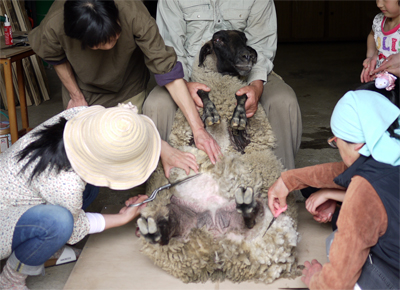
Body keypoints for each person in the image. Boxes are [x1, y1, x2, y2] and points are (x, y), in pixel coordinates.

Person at [0, 104, 199, 290]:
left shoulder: (84, 117)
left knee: (90, 189)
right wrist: (122, 218)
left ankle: (47, 247)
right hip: (4, 216)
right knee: (60, 223)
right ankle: (11, 277)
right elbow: (74, 228)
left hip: (21, 190)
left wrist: (164, 149)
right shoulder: (66, 184)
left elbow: (123, 123)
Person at [28, 0, 221, 164]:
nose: (109, 45)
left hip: (128, 81)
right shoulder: (55, 24)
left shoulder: (133, 11)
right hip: (82, 86)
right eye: (100, 45)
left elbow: (167, 69)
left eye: (115, 36)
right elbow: (54, 56)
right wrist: (75, 95)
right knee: (85, 151)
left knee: (128, 144)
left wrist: (199, 130)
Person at [143, 0, 302, 172]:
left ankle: (282, 185)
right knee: (156, 104)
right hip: (188, 75)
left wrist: (256, 87)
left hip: (246, 74)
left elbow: (260, 48)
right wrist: (184, 85)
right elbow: (170, 50)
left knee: (284, 100)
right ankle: (161, 187)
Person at [268, 90, 400, 289]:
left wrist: (316, 280)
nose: (336, 147)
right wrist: (288, 181)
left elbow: (337, 282)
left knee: (335, 245)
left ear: (356, 145)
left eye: (335, 142)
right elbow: (341, 172)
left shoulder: (365, 189)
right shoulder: (390, 148)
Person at [360, 0, 400, 83]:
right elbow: (372, 35)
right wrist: (370, 57)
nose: (379, 4)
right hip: (379, 80)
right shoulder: (378, 20)